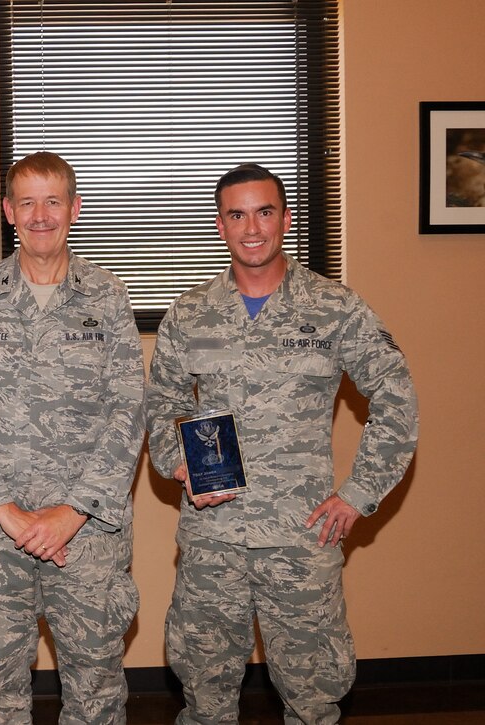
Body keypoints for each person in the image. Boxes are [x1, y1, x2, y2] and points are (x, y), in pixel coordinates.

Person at [146, 163, 419, 725]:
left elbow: (396, 395)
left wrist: (359, 493)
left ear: (286, 221)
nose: (252, 227)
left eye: (265, 212)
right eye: (237, 214)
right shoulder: (190, 313)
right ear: (220, 225)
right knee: (204, 700)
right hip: (211, 539)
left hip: (301, 539)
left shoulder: (334, 308)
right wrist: (178, 462)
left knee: (313, 702)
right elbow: (162, 402)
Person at [0, 152, 145, 724]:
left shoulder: (107, 297)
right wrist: (6, 511)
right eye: (26, 202)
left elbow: (128, 412)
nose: (40, 214)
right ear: (9, 211)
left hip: (87, 537)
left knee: (95, 690)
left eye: (53, 200)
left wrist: (71, 512)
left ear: (74, 208)